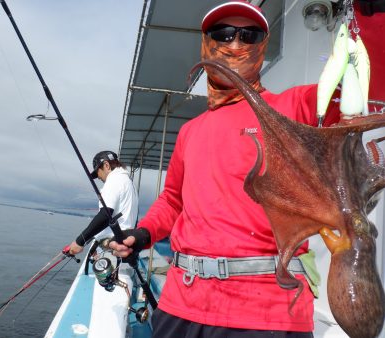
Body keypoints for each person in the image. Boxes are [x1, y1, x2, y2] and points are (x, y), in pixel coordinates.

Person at [110, 1, 340, 337]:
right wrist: (144, 233)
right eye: (223, 33)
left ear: (262, 46)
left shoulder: (294, 106)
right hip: (180, 306)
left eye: (249, 35)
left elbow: (361, 89)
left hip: (267, 313)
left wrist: (371, 18)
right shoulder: (190, 131)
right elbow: (173, 199)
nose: (235, 44)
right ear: (206, 43)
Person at [68, 150, 138, 255]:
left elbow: (106, 214)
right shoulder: (128, 182)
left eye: (98, 172)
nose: (98, 177)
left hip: (114, 246)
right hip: (124, 244)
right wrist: (95, 243)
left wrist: (79, 241)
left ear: (106, 165)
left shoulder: (114, 179)